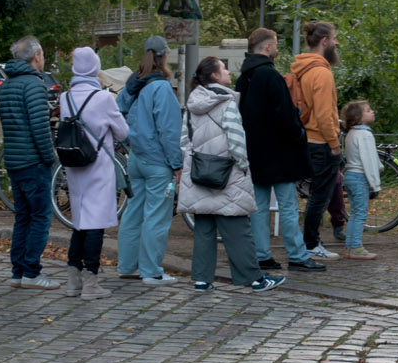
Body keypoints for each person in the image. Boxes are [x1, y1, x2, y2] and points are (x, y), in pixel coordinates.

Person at [180, 57, 282, 292]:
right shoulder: (226, 102)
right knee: (237, 227)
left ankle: (202, 279)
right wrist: (243, 165)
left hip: (199, 172)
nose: (228, 72)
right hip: (227, 173)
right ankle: (254, 279)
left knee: (204, 227)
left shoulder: (192, 103)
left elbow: (184, 139)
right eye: (224, 68)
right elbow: (236, 139)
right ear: (215, 76)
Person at [237, 27, 319, 272]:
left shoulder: (244, 78)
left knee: (259, 207)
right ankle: (297, 255)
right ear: (268, 47)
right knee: (288, 206)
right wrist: (298, 133)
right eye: (276, 44)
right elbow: (285, 115)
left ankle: (262, 254)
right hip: (280, 152)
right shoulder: (270, 76)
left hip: (254, 151)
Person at [58, 46, 128, 296]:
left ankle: (72, 281)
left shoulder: (65, 97)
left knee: (80, 223)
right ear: (95, 68)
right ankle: (91, 283)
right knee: (95, 225)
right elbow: (123, 132)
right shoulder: (103, 98)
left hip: (74, 166)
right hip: (97, 166)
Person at [116, 36, 183, 285]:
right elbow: (169, 131)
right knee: (157, 215)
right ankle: (151, 271)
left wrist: (130, 140)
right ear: (165, 56)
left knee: (134, 213)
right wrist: (176, 164)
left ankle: (127, 265)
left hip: (136, 158)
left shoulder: (135, 84)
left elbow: (117, 111)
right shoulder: (161, 88)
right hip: (157, 162)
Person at [0, 34, 59, 290]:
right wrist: (51, 159)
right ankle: (31, 271)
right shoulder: (33, 85)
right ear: (36, 56)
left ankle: (18, 271)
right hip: (34, 162)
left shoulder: (7, 84)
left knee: (22, 217)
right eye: (42, 54)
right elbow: (40, 128)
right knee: (40, 217)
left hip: (13, 160)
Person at [288, 21, 343, 262]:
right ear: (324, 41)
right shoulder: (321, 72)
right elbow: (323, 114)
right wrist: (334, 143)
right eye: (334, 38)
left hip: (307, 138)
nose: (336, 42)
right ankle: (311, 243)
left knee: (317, 194)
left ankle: (310, 241)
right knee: (320, 195)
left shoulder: (303, 68)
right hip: (321, 141)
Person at [340, 100, 382, 260]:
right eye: (368, 110)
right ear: (359, 117)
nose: (372, 111)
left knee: (355, 214)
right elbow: (369, 161)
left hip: (350, 175)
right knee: (360, 214)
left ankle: (350, 245)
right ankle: (356, 246)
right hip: (360, 177)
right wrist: (375, 183)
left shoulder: (351, 133)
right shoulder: (365, 135)